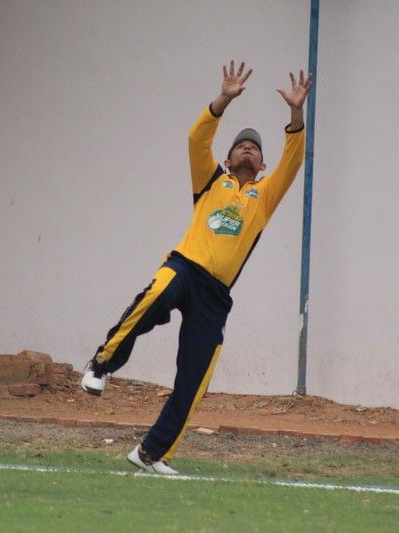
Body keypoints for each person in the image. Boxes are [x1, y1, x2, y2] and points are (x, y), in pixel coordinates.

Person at [82, 60, 313, 475]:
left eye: (255, 148)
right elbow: (196, 139)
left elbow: (294, 161)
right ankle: (101, 365)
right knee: (154, 296)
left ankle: (151, 453)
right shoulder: (211, 181)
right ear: (227, 158)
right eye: (241, 145)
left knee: (195, 378)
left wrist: (296, 113)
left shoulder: (264, 196)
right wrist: (223, 99)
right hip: (184, 268)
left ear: (263, 166)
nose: (248, 149)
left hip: (215, 295)